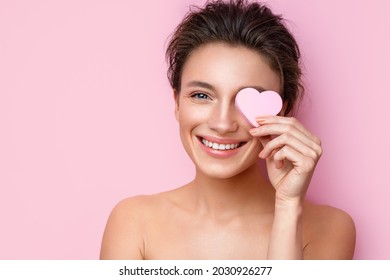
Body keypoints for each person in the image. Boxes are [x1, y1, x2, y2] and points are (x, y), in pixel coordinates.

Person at [100, 0, 356, 259]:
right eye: (201, 95)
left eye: (246, 100)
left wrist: (288, 207)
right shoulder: (133, 223)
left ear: (281, 113)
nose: (222, 124)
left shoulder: (329, 228)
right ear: (177, 102)